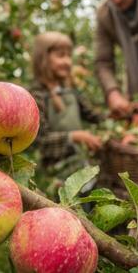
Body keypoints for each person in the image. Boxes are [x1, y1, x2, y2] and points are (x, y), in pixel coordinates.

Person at [30, 31, 104, 188]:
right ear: (43, 58)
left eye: (69, 56)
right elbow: (40, 141)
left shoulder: (70, 89)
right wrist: (75, 136)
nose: (67, 61)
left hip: (79, 168)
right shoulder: (36, 95)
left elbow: (93, 115)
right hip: (55, 177)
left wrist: (118, 114)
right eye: (61, 55)